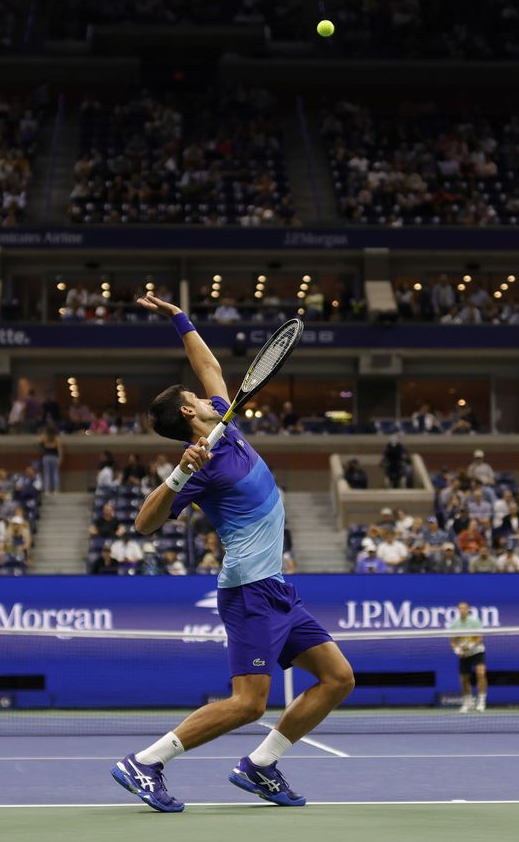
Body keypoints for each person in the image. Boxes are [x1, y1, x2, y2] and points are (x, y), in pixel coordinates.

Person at [116, 294, 353, 812]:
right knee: (249, 703)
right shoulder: (201, 467)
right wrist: (180, 473)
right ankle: (147, 762)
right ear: (188, 410)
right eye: (197, 398)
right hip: (249, 589)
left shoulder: (225, 415)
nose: (207, 396)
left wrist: (179, 317)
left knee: (338, 678)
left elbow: (210, 366)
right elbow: (145, 523)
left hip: (276, 589)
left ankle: (261, 766)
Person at [449, 601, 487, 713]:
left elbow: (479, 638)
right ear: (458, 610)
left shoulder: (474, 621)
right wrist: (457, 650)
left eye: (464, 608)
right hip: (464, 654)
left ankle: (481, 701)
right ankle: (468, 702)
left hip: (477, 651)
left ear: (468, 609)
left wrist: (470, 646)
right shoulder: (455, 624)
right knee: (464, 679)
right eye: (460, 608)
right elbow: (453, 641)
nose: (462, 610)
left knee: (481, 673)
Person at [38, 424, 62, 494]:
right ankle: (56, 490)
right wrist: (60, 458)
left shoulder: (45, 438)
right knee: (55, 473)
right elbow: (60, 450)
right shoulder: (56, 439)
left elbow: (38, 440)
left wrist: (43, 434)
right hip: (54, 457)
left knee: (47, 474)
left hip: (46, 457)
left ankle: (47, 490)